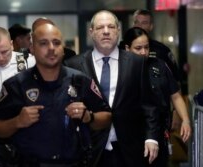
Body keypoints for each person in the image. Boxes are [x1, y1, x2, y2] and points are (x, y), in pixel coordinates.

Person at [0, 23, 111, 167]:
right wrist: (17, 121)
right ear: (32, 48)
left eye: (56, 43)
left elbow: (107, 117)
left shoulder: (80, 80)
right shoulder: (15, 85)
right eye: (43, 43)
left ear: (63, 49)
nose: (51, 48)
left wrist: (89, 117)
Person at [65, 10, 160, 167]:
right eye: (100, 28)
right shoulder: (74, 65)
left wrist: (151, 138)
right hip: (90, 148)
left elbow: (149, 104)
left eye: (111, 27)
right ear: (91, 32)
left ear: (118, 30)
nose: (106, 32)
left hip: (129, 148)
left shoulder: (137, 63)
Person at [123, 27, 191, 167]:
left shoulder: (159, 65)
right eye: (138, 48)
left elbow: (175, 95)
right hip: (131, 135)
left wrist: (185, 120)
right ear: (127, 48)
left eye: (146, 48)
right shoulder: (120, 70)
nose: (143, 52)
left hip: (159, 131)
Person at [0, 27, 35, 166]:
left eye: (5, 52)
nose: (0, 58)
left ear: (11, 44)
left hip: (26, 137)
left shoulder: (29, 63)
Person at [133, 9, 180, 82]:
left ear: (151, 26)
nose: (139, 26)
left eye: (144, 23)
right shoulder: (122, 48)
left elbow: (175, 79)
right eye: (136, 22)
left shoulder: (161, 50)